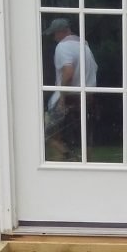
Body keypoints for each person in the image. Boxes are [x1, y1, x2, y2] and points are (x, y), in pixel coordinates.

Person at [43, 18, 98, 160]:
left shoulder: (63, 47)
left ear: (62, 32)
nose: (54, 38)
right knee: (84, 137)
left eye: (55, 34)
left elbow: (68, 72)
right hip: (86, 98)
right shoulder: (85, 47)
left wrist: (61, 98)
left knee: (47, 133)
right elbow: (94, 70)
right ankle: (83, 162)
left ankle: (68, 156)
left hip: (68, 98)